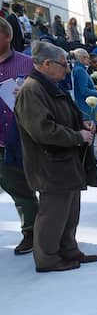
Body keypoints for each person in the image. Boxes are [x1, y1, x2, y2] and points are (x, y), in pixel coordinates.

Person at [14, 41, 97, 272]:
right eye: (64, 64)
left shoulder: (49, 85)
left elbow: (59, 117)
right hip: (49, 163)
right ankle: (48, 258)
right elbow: (43, 130)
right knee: (53, 215)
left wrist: (81, 123)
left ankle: (68, 250)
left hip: (62, 160)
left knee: (69, 211)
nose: (67, 69)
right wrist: (77, 136)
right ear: (47, 64)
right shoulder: (33, 90)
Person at [0, 19, 38, 254]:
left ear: (6, 36)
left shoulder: (28, 64)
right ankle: (31, 230)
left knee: (30, 185)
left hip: (25, 136)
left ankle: (40, 230)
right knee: (15, 187)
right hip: (1, 140)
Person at [70, 48, 97, 129]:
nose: (89, 60)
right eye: (88, 57)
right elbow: (84, 91)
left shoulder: (77, 69)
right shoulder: (80, 70)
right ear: (83, 58)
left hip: (82, 105)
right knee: (91, 134)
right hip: (86, 107)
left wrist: (93, 87)